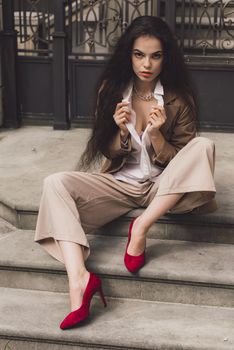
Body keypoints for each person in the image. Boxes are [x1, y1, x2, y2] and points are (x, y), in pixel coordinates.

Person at [34, 16, 217, 330]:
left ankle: (141, 226)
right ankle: (80, 279)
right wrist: (120, 131)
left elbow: (184, 160)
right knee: (55, 183)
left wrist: (158, 136)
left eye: (155, 55)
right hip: (121, 184)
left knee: (203, 146)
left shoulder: (179, 98)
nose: (146, 64)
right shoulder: (111, 91)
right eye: (139, 54)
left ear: (166, 57)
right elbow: (107, 152)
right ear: (128, 55)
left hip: (166, 188)